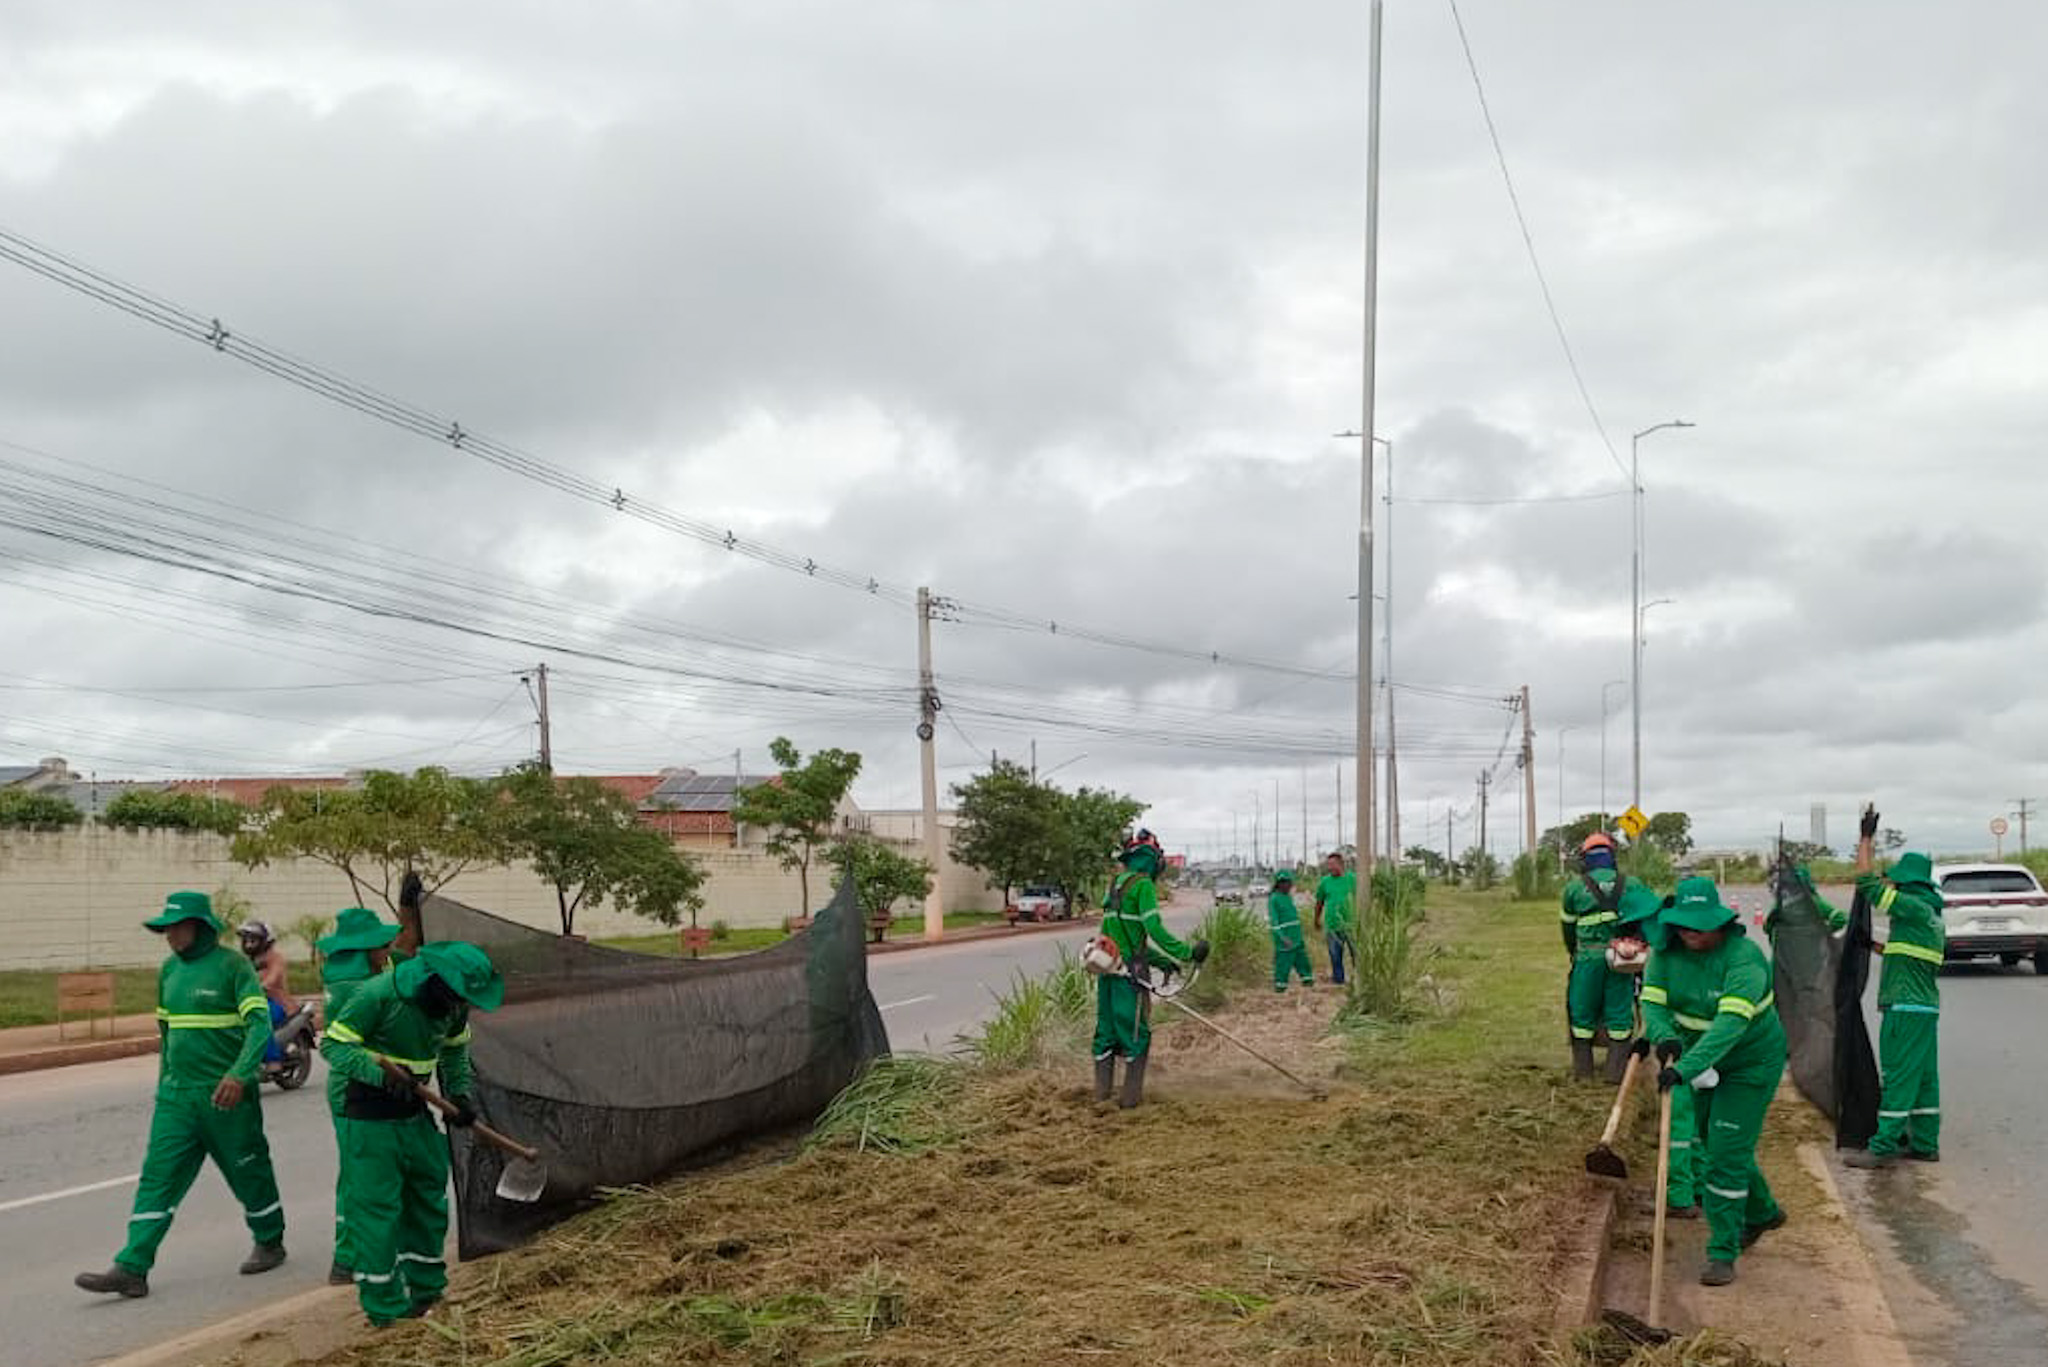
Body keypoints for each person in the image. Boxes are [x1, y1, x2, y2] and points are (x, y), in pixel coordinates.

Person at [76, 891, 287, 1299]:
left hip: (226, 1098)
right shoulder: (168, 971)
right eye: (165, 928)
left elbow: (259, 1027)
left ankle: (270, 1240)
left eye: (176, 926)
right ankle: (132, 1266)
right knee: (158, 1178)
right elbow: (168, 1037)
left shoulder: (233, 967)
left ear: (200, 926)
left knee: (249, 1170)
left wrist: (240, 1075)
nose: (169, 934)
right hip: (176, 1100)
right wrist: (163, 1089)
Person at [322, 940, 501, 1326]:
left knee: (427, 1194)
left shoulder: (454, 1007)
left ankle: (426, 1292)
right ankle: (385, 1308)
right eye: (456, 996)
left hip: (414, 1111)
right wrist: (380, 1077)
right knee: (377, 1210)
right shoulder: (378, 994)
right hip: (368, 1114)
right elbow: (334, 1046)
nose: (459, 1006)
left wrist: (459, 1093)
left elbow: (454, 1051)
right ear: (434, 981)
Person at [1640, 876, 1788, 1287]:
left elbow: (1728, 1026)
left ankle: (1723, 1251)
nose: (1691, 932)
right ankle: (1763, 1211)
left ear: (1720, 922)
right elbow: (1651, 1003)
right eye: (1684, 924)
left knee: (1725, 1156)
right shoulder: (1664, 955)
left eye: (1700, 925)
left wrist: (1683, 1069)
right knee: (1716, 1139)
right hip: (1701, 1060)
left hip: (1749, 1062)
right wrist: (1662, 1035)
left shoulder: (1744, 958)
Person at [1846, 807, 1945, 1169]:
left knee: (1899, 1076)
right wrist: (1873, 947)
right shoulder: (1931, 918)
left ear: (1907, 885)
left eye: (1897, 883)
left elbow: (1867, 885)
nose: (1893, 886)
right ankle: (1925, 1142)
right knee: (1923, 1079)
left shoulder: (1913, 908)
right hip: (1923, 1009)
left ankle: (1884, 1146)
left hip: (1905, 1008)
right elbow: (1907, 956)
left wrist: (1866, 840)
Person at [317, 905, 403, 1286]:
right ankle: (347, 1258)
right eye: (381, 945)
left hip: (358, 1086)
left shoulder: (353, 973)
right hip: (356, 1088)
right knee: (357, 1176)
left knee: (357, 1173)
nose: (387, 950)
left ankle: (353, 1253)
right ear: (365, 948)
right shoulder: (355, 987)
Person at [1092, 830, 1205, 1109]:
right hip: (1129, 977)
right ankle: (1130, 1101)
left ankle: (1101, 1096)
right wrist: (1187, 953)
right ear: (1152, 860)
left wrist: (1163, 962)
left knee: (1105, 1034)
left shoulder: (1115, 885)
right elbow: (1153, 928)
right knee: (1136, 1034)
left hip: (1108, 969)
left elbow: (1120, 937)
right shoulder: (1143, 886)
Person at [1616, 896, 1698, 1221]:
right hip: (1690, 1043)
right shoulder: (1683, 949)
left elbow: (1666, 1003)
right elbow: (1656, 1004)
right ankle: (1700, 1187)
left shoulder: (1668, 955)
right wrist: (1645, 1038)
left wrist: (1661, 1039)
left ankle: (1678, 1196)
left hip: (1686, 1047)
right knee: (1696, 1122)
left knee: (1677, 1119)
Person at [1561, 833, 1652, 1081]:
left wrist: (1574, 953)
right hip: (1623, 958)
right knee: (1620, 1012)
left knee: (1582, 1012)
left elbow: (1568, 928)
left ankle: (1584, 1073)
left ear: (1585, 859)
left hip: (1587, 958)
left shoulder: (1573, 888)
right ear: (1612, 856)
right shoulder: (1631, 884)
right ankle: (1615, 1073)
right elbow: (1648, 917)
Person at [239, 919, 293, 1066]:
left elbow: (274, 977)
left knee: (262, 1019)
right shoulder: (245, 961)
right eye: (246, 940)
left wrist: (261, 986)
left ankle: (273, 1059)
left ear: (265, 941)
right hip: (251, 1002)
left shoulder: (275, 958)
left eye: (253, 940)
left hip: (276, 1003)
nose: (248, 944)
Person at [1313, 852, 1358, 987]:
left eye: (1332, 864)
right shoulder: (1325, 882)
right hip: (1332, 925)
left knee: (1357, 955)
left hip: (1352, 925)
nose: (1330, 867)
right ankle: (1339, 982)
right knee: (1335, 956)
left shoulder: (1353, 879)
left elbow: (1364, 898)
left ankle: (1359, 980)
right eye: (1328, 865)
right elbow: (1319, 902)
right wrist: (1316, 919)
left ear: (1341, 864)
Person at [1268, 870, 1314, 994]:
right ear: (1278, 884)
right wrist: (1282, 937)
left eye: (1289, 882)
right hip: (1285, 939)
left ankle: (1308, 982)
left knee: (1302, 961)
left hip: (1296, 936)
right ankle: (1280, 989)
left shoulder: (1288, 897)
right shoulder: (1274, 899)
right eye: (1284, 882)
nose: (1288, 885)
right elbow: (1274, 921)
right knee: (1283, 964)